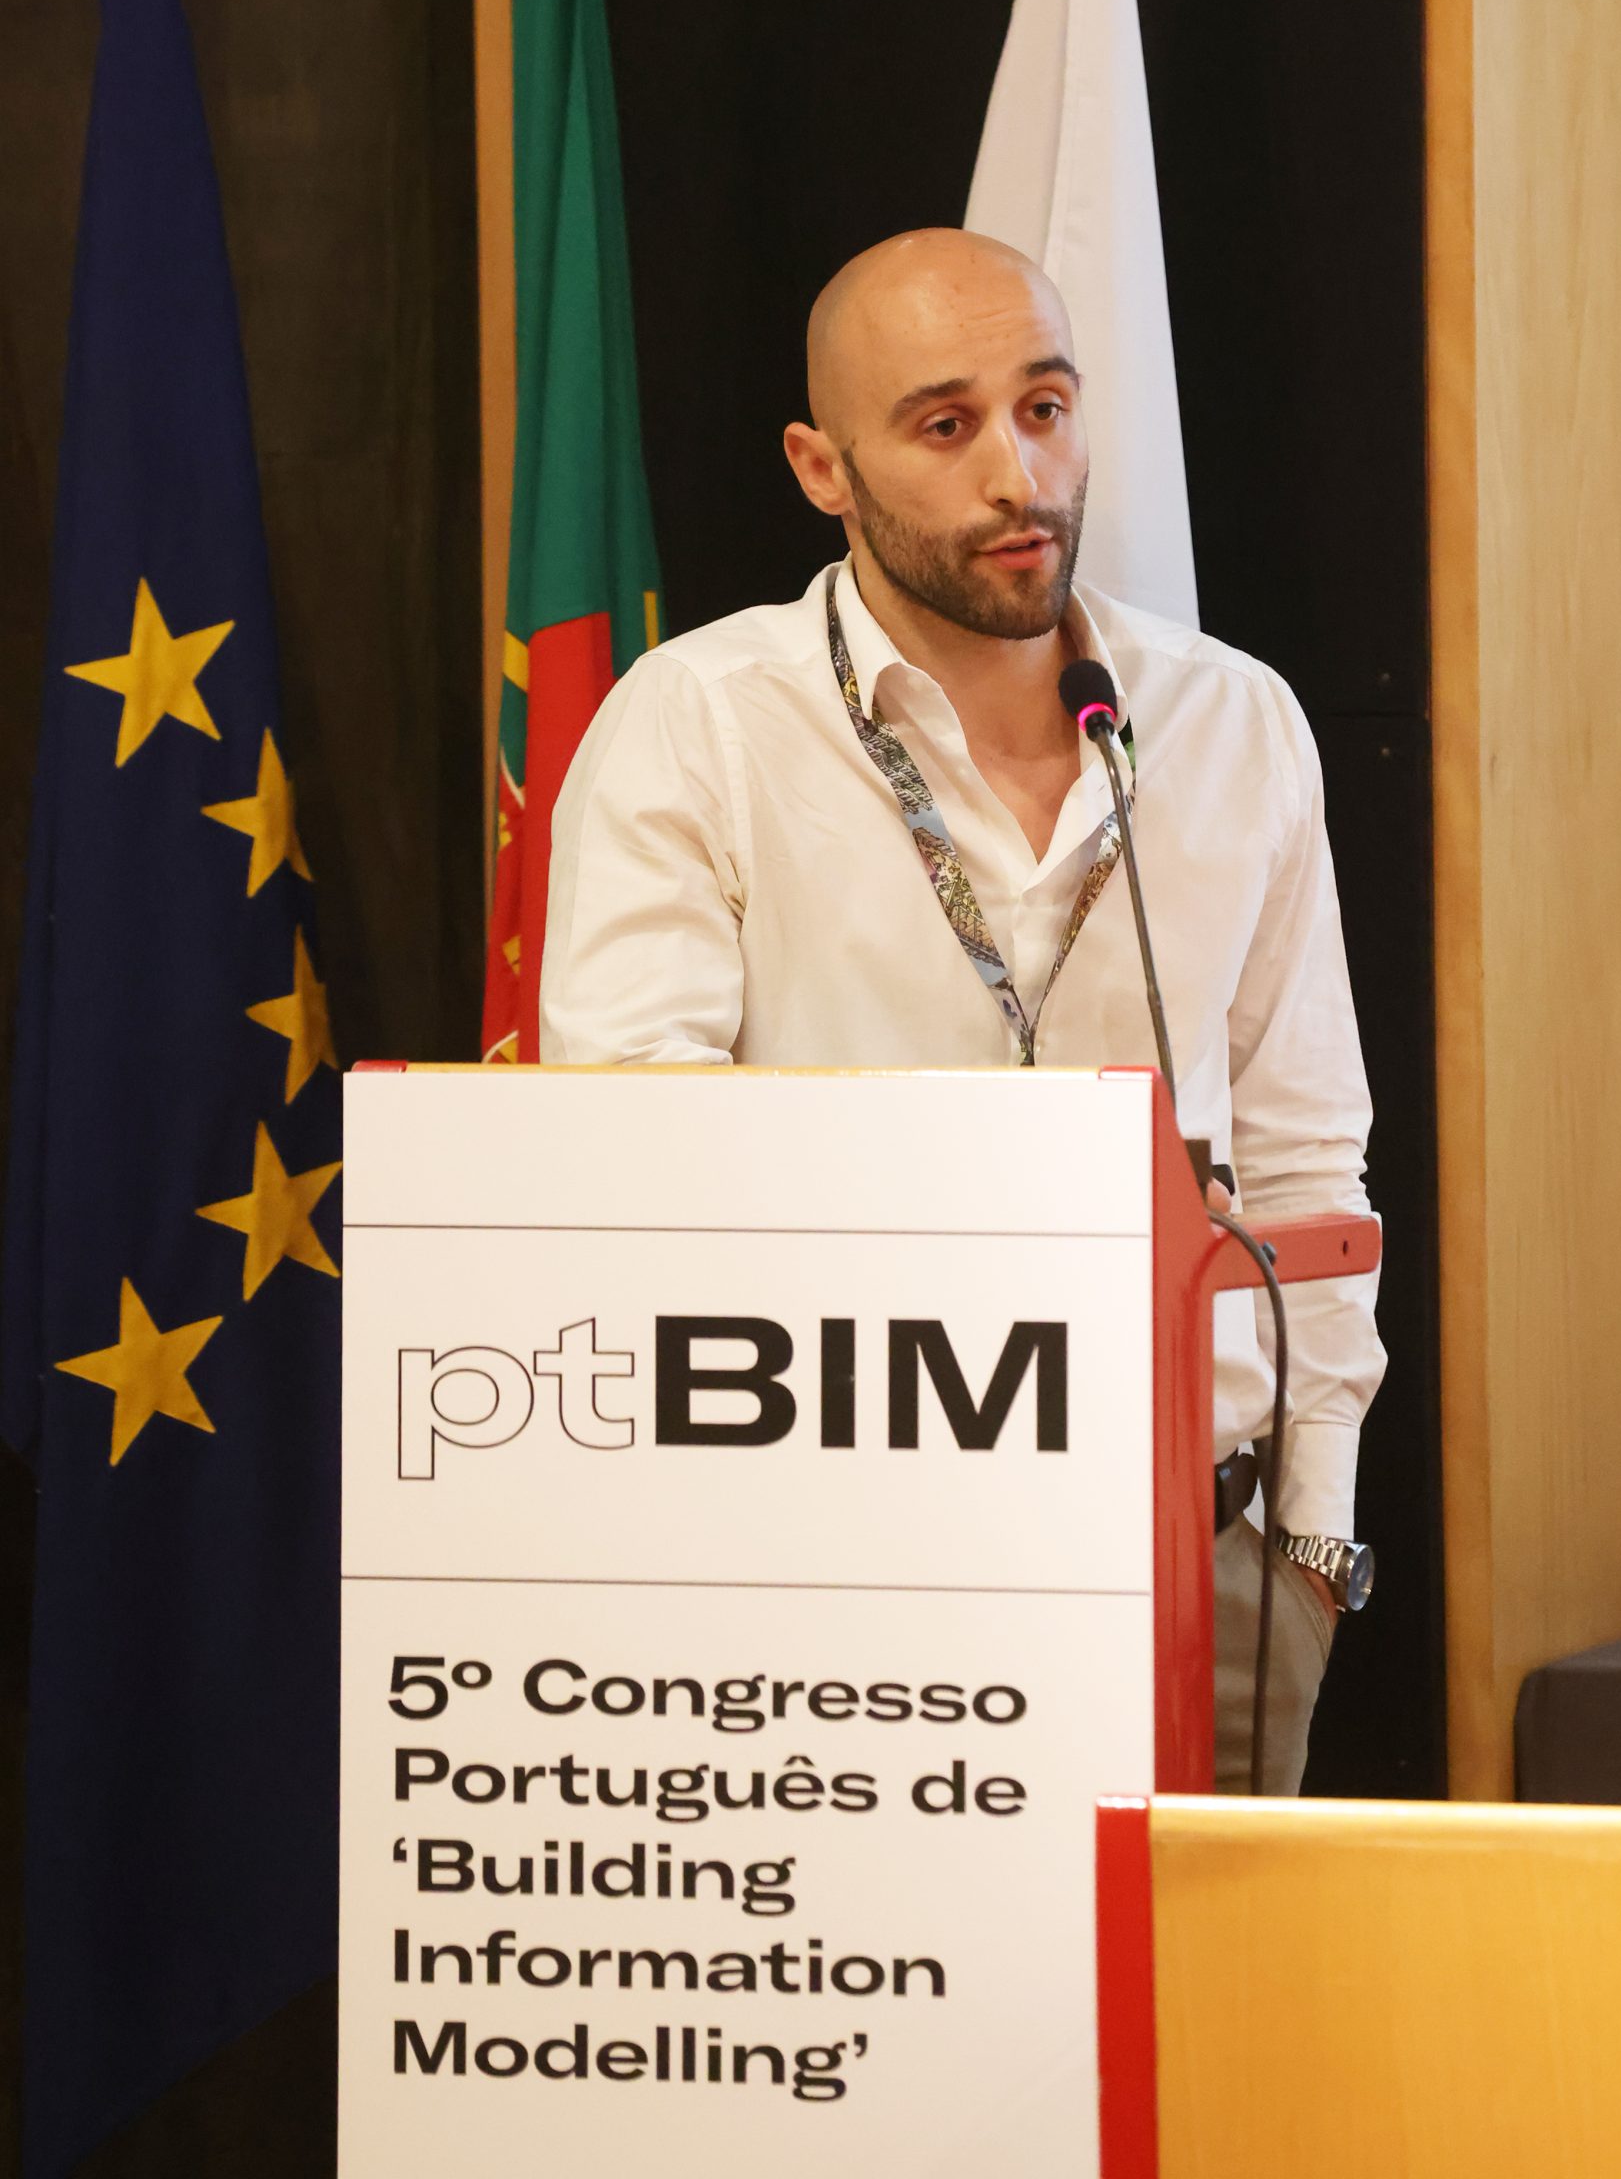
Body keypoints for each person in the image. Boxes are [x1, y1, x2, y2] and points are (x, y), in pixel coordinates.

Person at [539, 226, 1383, 1792]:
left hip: (1208, 1567)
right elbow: (635, 1171)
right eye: (945, 426)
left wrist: (1312, 1544)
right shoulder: (701, 728)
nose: (1017, 475)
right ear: (823, 468)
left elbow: (1306, 1162)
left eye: (1045, 409)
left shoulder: (1230, 721)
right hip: (840, 1575)